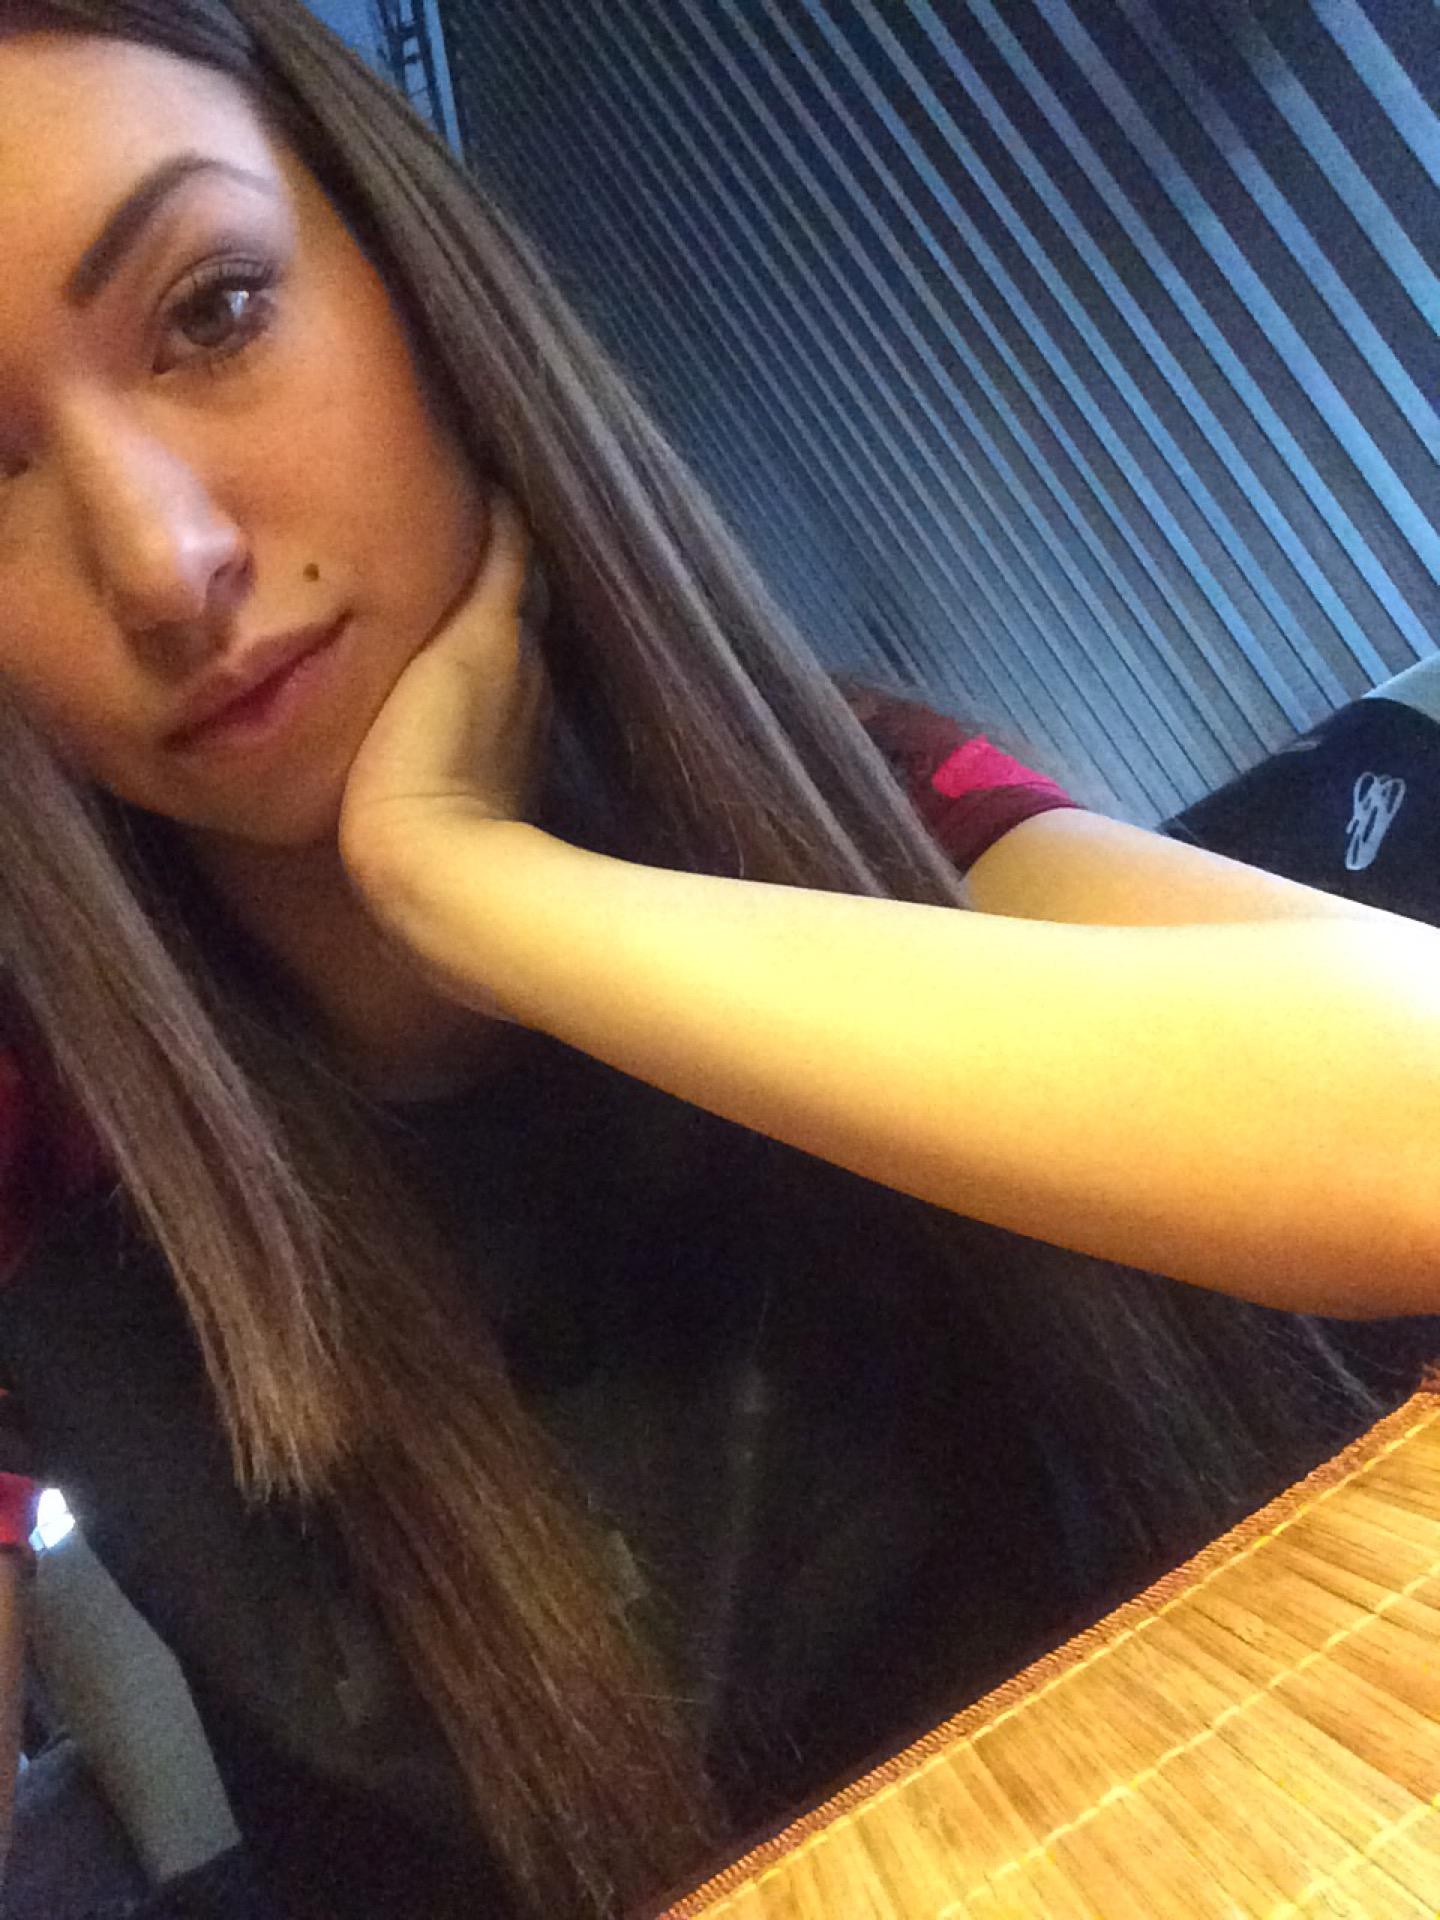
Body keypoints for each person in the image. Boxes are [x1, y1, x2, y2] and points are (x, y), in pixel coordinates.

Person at [0, 5, 1431, 1918]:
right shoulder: (39, 1139)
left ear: (413, 280)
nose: (163, 561)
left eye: (216, 310)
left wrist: (479, 889)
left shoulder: (844, 798)